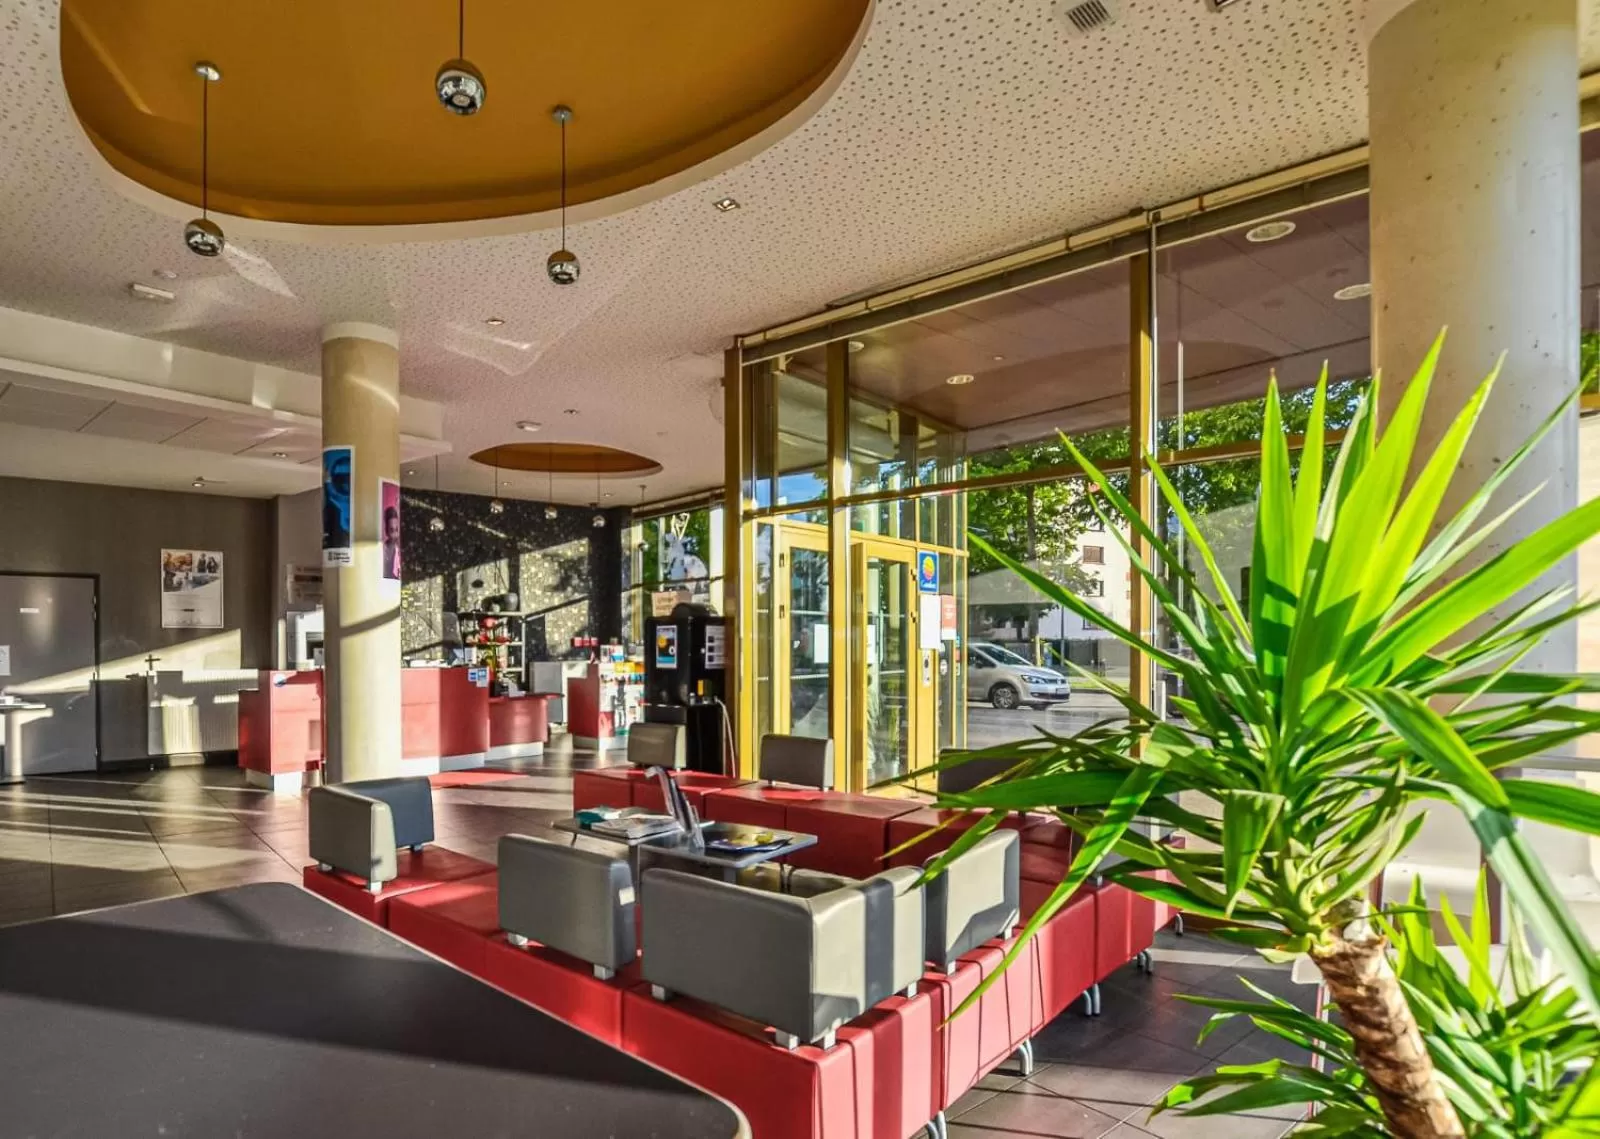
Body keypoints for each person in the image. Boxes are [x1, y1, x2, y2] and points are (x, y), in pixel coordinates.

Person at [382, 506, 401, 580]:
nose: (396, 535)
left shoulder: (401, 548)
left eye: (397, 530)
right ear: (386, 531)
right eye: (392, 531)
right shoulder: (383, 551)